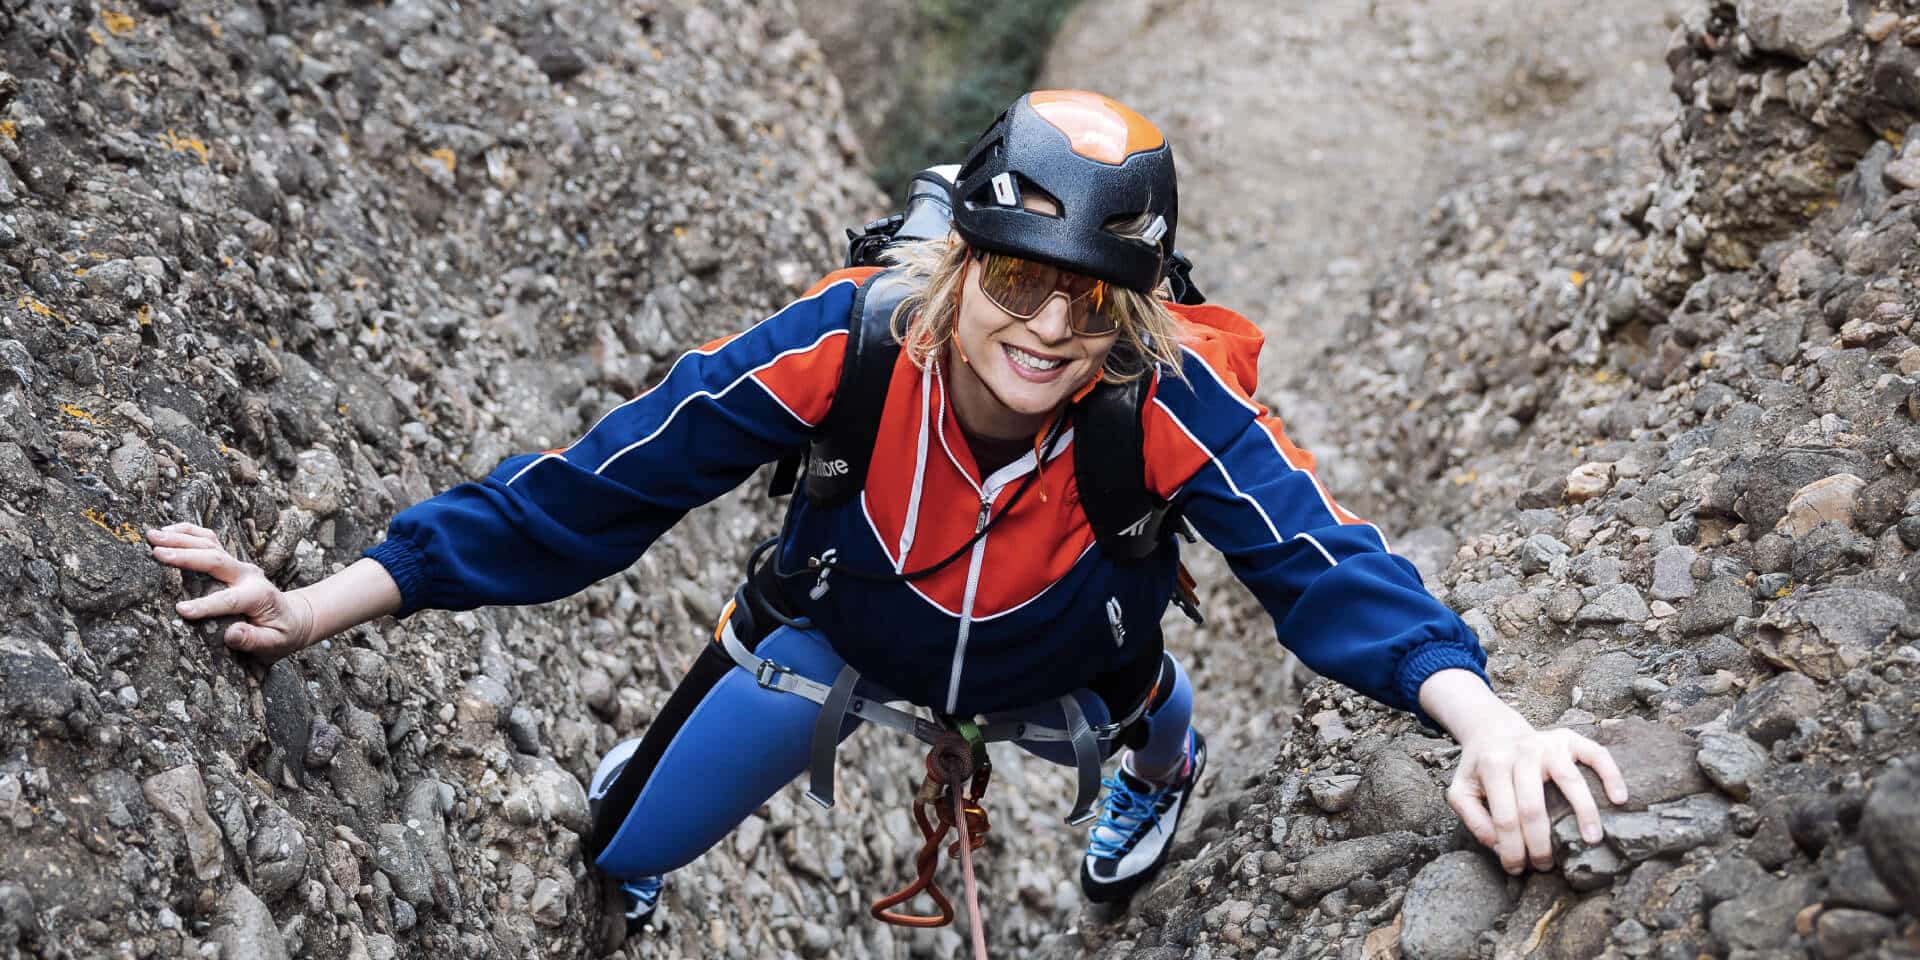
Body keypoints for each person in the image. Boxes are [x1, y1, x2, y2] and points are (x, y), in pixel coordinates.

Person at [148, 90, 1627, 935]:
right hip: (835, 636)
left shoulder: (1154, 395)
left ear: (1133, 309)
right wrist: (322, 601)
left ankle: (1159, 757)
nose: (1051, 330)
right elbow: (590, 494)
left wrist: (1487, 720)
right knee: (615, 845)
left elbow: (1318, 560)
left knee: (1138, 697)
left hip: (1067, 657)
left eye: (1091, 300)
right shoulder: (847, 347)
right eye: (1019, 283)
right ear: (961, 266)